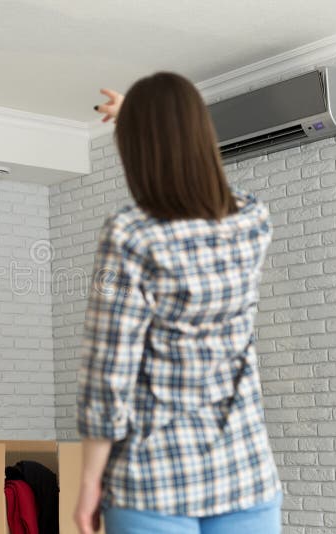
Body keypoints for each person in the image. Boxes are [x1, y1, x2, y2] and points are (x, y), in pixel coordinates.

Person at [74, 73, 282, 534]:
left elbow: (109, 372)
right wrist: (156, 118)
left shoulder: (130, 234)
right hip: (246, 475)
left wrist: (89, 483)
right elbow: (202, 183)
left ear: (134, 149)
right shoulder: (252, 220)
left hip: (153, 483)